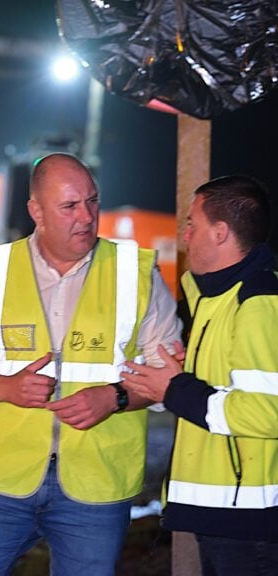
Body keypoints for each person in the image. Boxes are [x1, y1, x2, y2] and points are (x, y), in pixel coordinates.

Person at [0, 152, 182, 575]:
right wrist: (3, 388)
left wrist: (114, 398)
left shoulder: (135, 273)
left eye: (92, 201)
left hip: (97, 485)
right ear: (36, 211)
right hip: (0, 481)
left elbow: (169, 374)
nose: (86, 217)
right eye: (69, 206)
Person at [121, 175, 278, 575]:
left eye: (192, 224)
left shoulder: (257, 302)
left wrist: (175, 388)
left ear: (221, 232)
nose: (185, 235)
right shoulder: (218, 296)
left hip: (247, 519)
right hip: (227, 512)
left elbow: (267, 411)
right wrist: (188, 370)